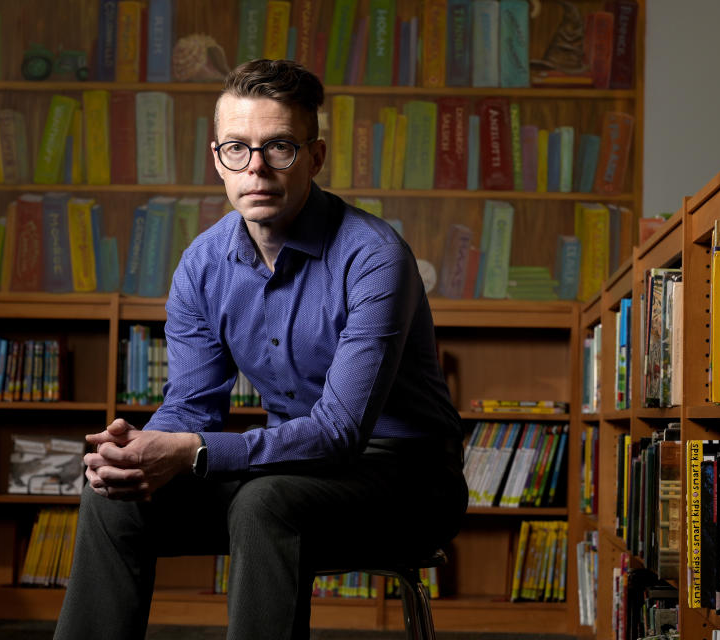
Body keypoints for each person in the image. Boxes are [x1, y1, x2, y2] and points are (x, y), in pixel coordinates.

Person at [53, 59, 468, 640]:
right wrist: (142, 449)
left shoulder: (374, 257)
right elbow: (191, 409)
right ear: (216, 157)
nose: (257, 169)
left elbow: (339, 433)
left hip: (407, 481)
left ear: (314, 157)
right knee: (114, 495)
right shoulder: (202, 263)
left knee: (264, 503)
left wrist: (192, 449)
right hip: (285, 469)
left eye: (279, 148)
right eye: (237, 149)